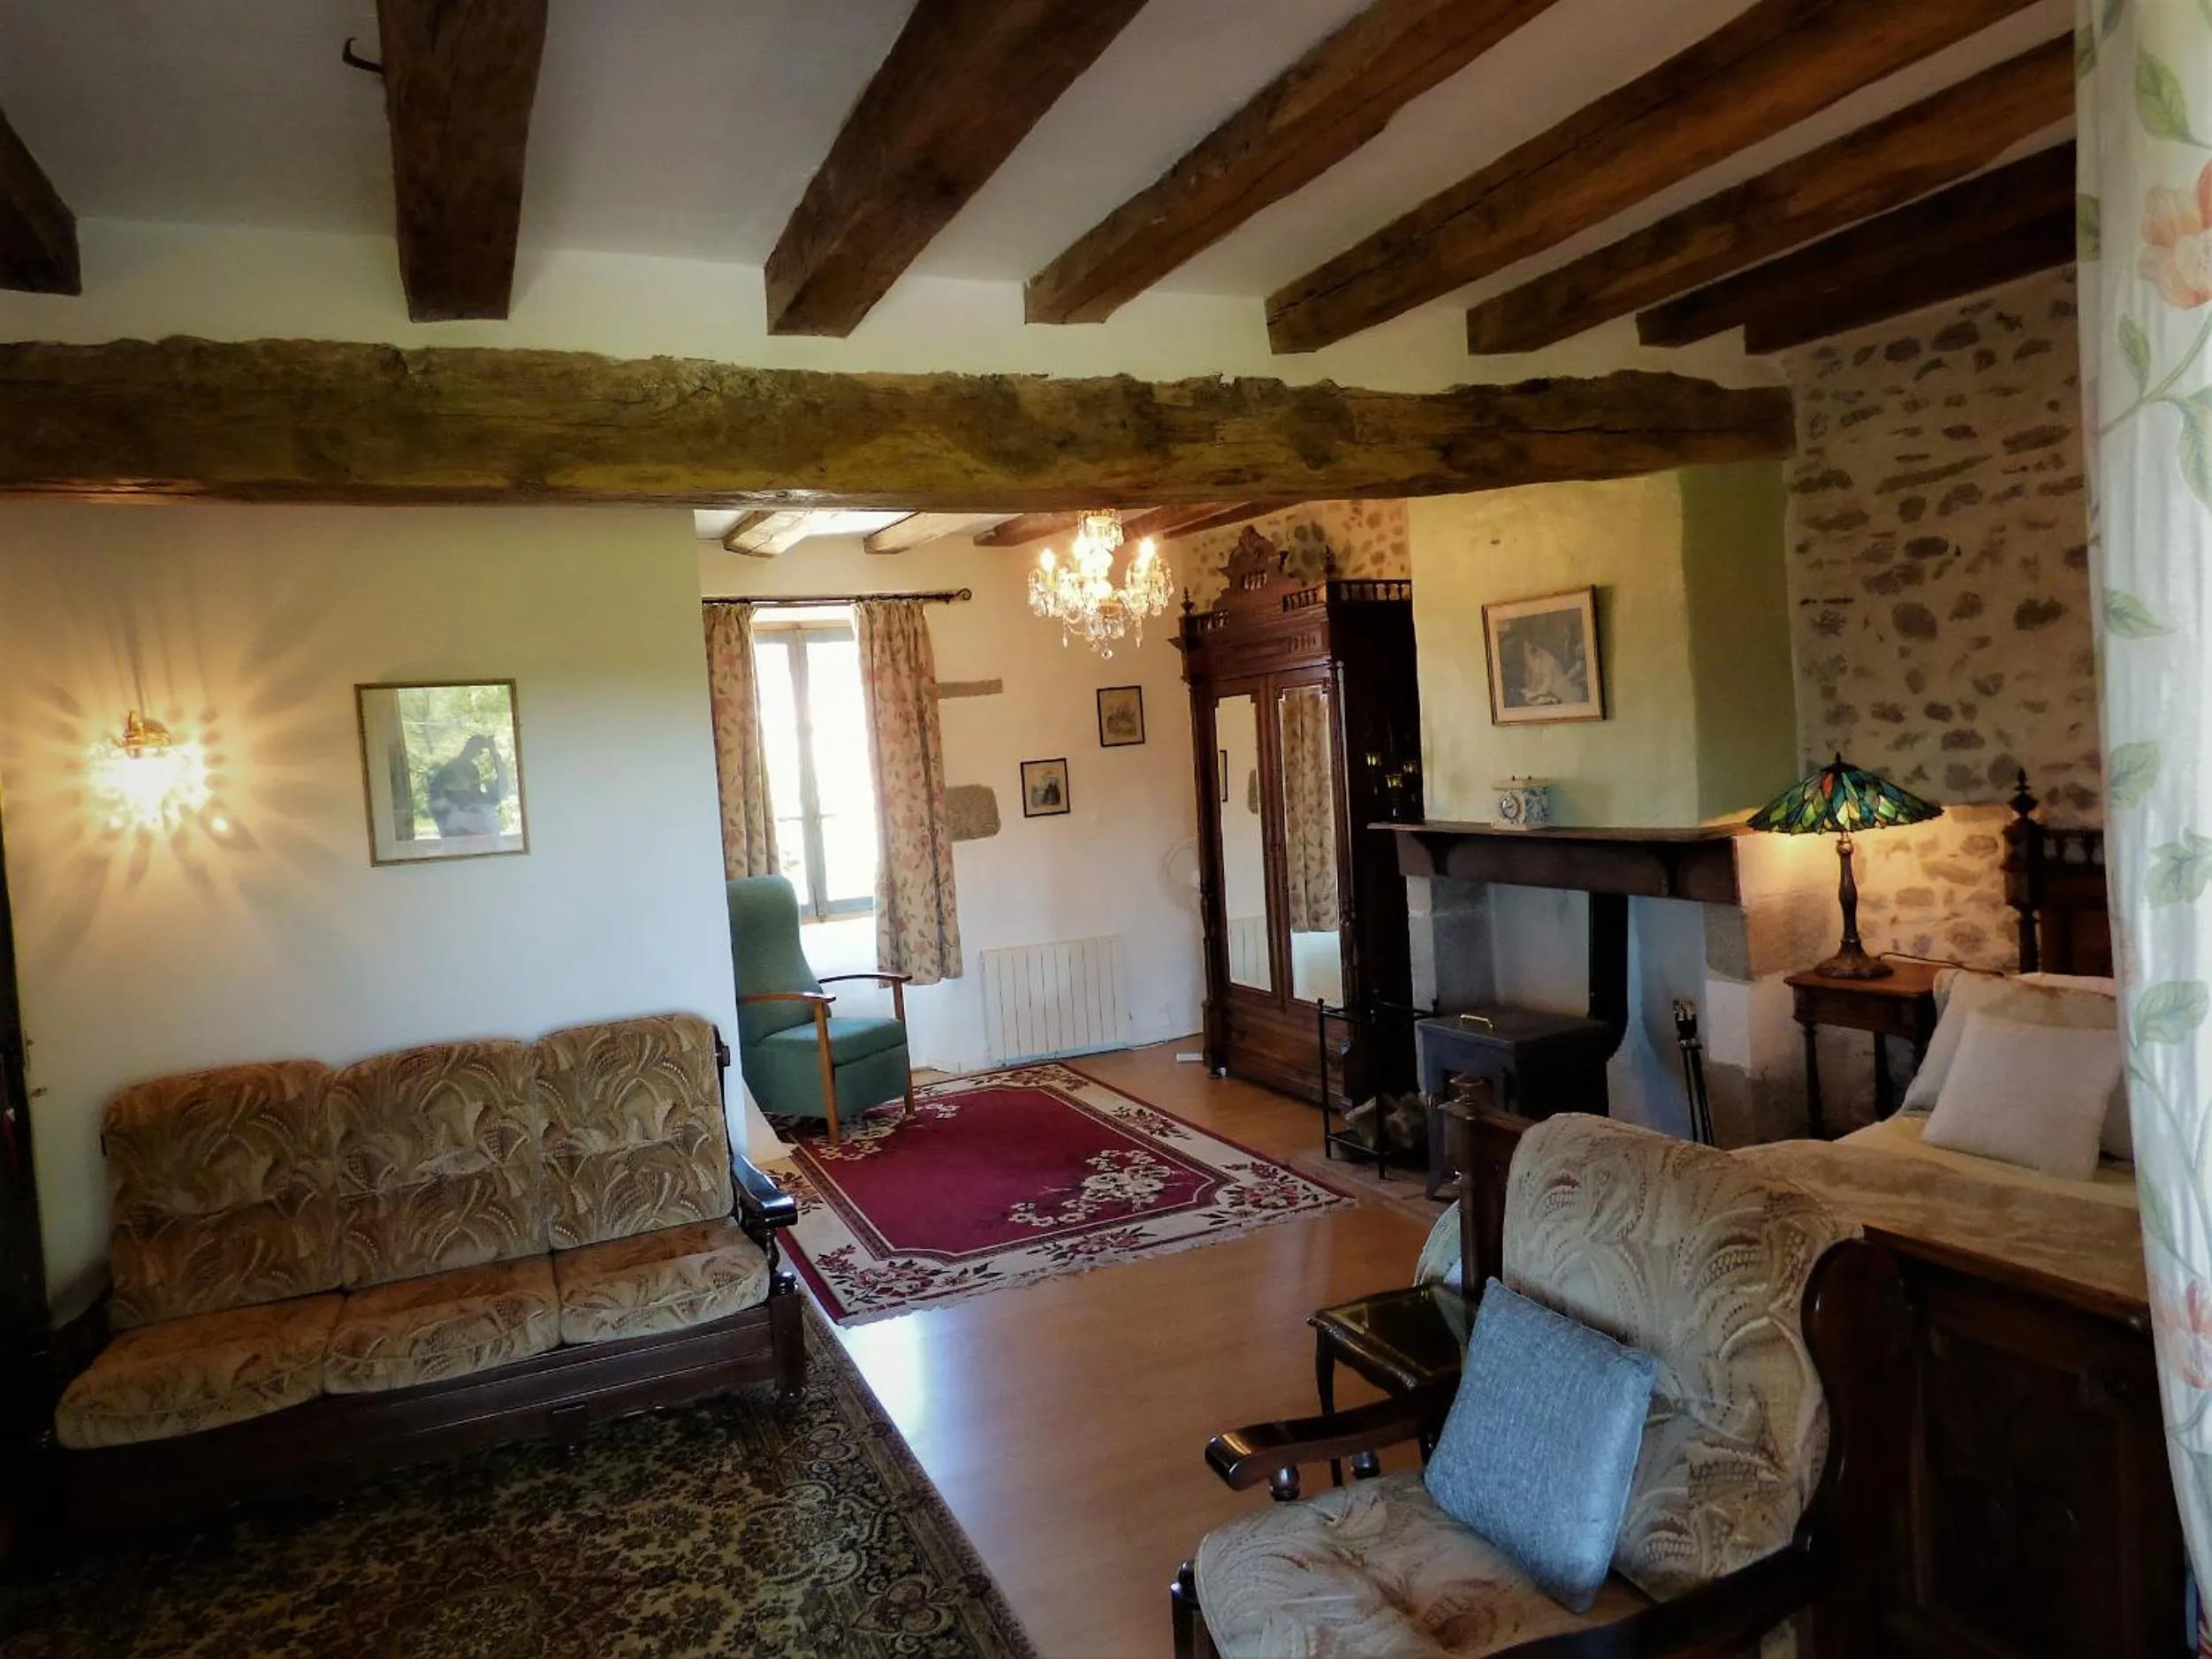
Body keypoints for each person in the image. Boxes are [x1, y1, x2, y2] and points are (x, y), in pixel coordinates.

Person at [424, 733, 509, 838]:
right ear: (469, 747)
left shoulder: (472, 768)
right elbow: (436, 798)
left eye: (480, 751)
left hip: (471, 822)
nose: (477, 753)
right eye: (476, 749)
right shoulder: (449, 769)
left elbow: (478, 793)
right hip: (455, 823)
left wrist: (494, 752)